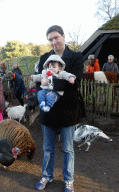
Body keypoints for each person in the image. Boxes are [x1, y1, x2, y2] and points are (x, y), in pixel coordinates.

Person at [35, 25, 85, 192]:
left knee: (68, 149)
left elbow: (75, 84)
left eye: (56, 37)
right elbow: (37, 83)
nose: (53, 42)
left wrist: (49, 83)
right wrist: (49, 86)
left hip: (68, 111)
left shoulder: (76, 57)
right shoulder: (44, 58)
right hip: (48, 113)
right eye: (50, 39)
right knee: (48, 148)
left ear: (63, 36)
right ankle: (46, 176)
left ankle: (68, 179)